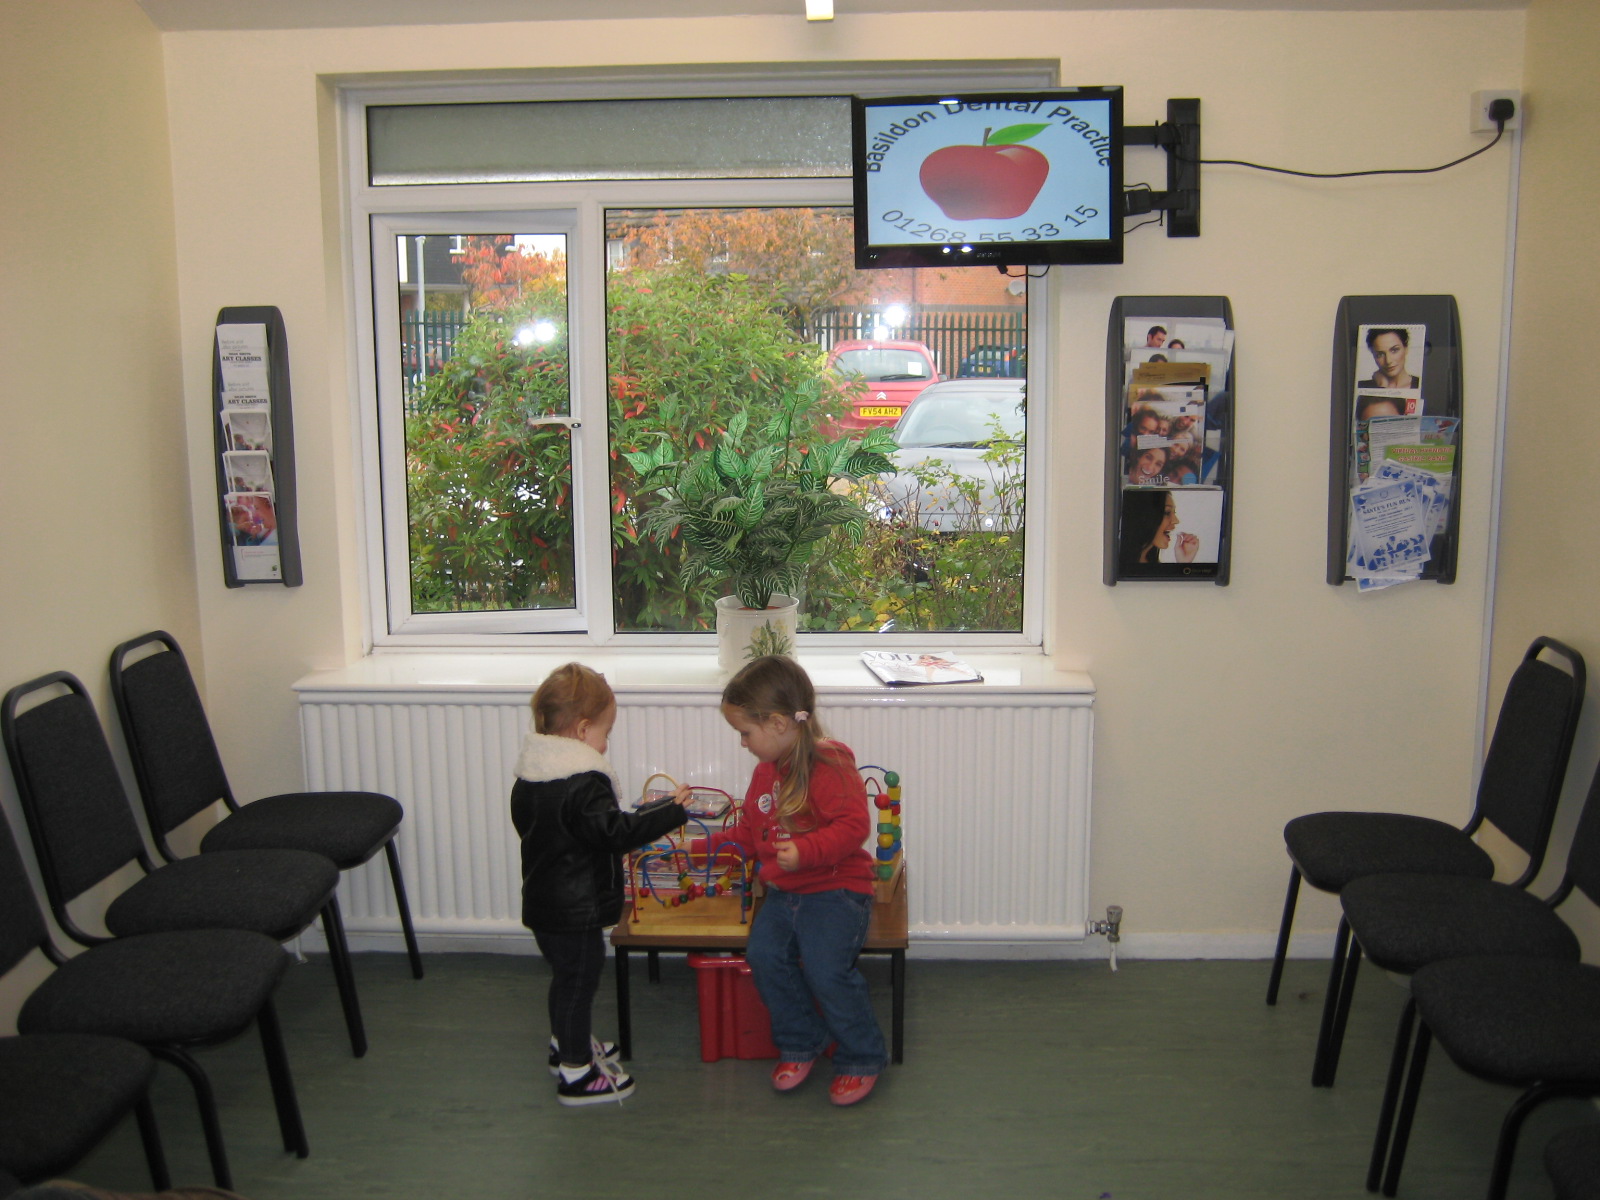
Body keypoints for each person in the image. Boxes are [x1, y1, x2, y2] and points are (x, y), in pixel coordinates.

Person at [509, 662, 688, 1106]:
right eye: (606, 733)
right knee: (579, 981)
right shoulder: (583, 781)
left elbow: (577, 829)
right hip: (575, 911)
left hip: (545, 902)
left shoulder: (532, 776)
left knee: (565, 980)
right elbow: (614, 834)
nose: (606, 743)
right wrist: (670, 812)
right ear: (584, 730)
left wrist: (646, 811)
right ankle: (575, 1072)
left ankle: (563, 1044)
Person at [715, 656, 887, 1107]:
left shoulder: (830, 762)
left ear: (775, 723)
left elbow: (853, 827)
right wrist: (713, 847)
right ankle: (801, 1042)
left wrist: (805, 851)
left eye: (745, 733)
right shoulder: (763, 773)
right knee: (764, 955)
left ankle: (862, 1057)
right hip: (786, 893)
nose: (743, 743)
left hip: (837, 890)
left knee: (827, 969)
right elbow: (753, 833)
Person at [1118, 489, 1198, 574]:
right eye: (1167, 512)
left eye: (1173, 513)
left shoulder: (1154, 566)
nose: (1176, 520)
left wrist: (1183, 564)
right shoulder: (1116, 566)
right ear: (1142, 516)